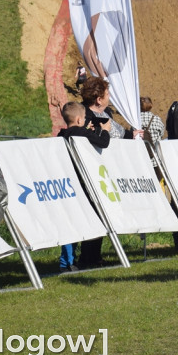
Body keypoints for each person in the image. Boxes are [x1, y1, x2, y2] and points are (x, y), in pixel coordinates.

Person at [78, 76, 129, 267]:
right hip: (91, 173)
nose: (109, 97)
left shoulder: (106, 113)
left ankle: (95, 256)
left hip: (107, 172)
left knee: (103, 214)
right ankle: (86, 258)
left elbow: (121, 133)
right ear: (99, 98)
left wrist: (135, 136)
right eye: (107, 94)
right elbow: (97, 139)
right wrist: (104, 131)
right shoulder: (85, 117)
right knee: (94, 214)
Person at [58, 101, 110, 272]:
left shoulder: (61, 135)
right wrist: (105, 131)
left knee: (70, 222)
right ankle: (85, 257)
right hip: (83, 184)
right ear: (80, 120)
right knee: (88, 218)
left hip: (67, 184)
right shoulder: (83, 133)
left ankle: (66, 261)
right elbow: (103, 143)